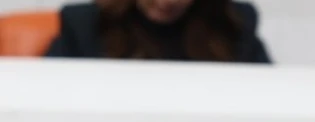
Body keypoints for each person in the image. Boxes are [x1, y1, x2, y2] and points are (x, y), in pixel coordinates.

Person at [44, 0, 271, 63]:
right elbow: (45, 96)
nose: (165, 2)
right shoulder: (84, 24)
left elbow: (269, 96)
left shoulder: (233, 23)